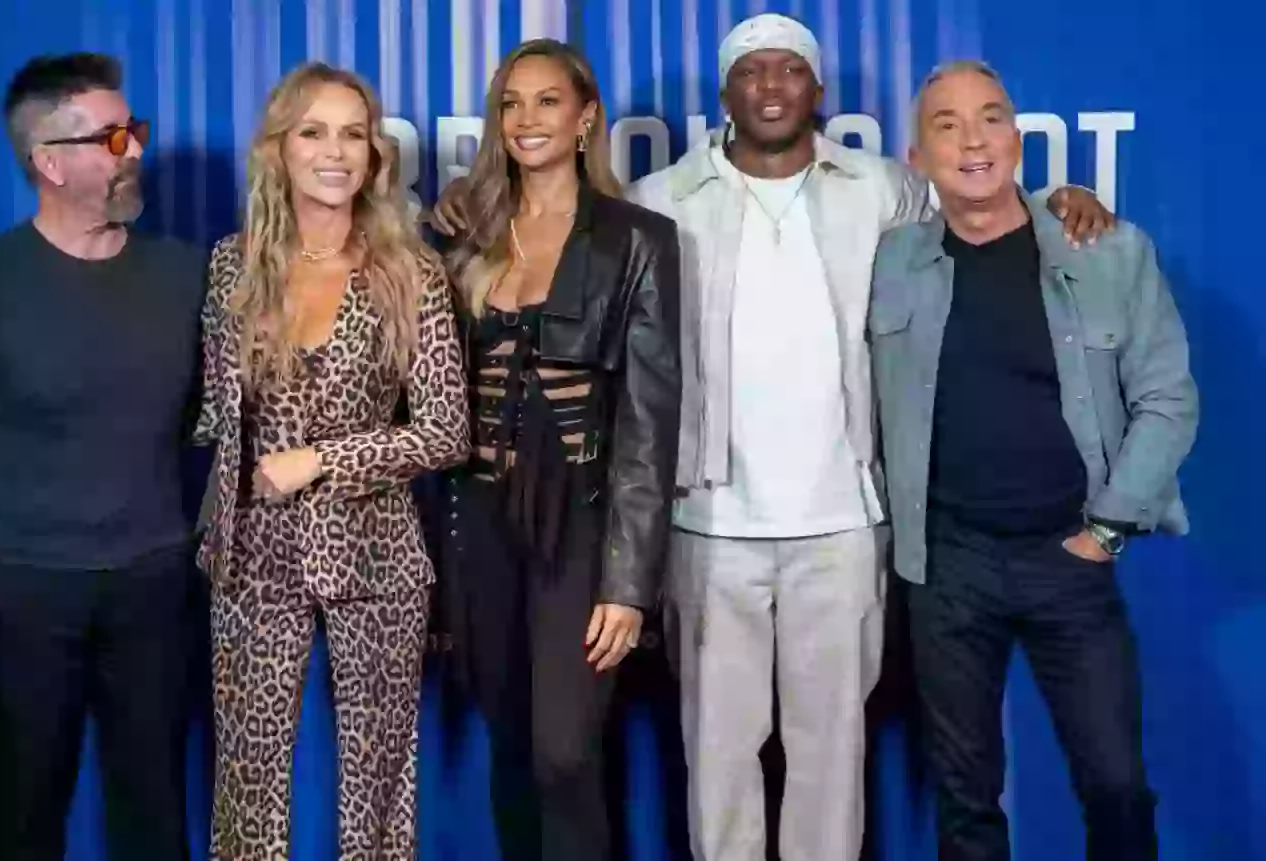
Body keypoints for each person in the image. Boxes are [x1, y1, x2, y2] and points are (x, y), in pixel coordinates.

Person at [428, 13, 1116, 861]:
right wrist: (467, 202)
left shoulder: (878, 188)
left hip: (844, 521)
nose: (770, 87)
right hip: (709, 522)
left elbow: (980, 198)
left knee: (832, 756)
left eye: (788, 71)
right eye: (751, 72)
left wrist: (1059, 200)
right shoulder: (659, 203)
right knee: (718, 759)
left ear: (816, 88)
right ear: (726, 91)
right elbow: (542, 232)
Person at [0, 53, 204, 860]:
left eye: (135, 129)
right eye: (112, 135)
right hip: (28, 594)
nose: (134, 149)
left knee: (155, 817)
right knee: (28, 817)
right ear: (48, 163)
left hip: (155, 588)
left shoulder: (187, 276)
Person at [869, 60, 1196, 861]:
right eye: (946, 125)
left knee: (1116, 784)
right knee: (964, 795)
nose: (971, 139)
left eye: (990, 119)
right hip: (946, 563)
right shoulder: (887, 262)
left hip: (1070, 556)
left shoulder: (1110, 252)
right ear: (917, 158)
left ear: (1018, 140)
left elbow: (1168, 398)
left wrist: (1108, 530)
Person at [193, 62, 469, 861]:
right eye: (314, 131)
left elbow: (446, 430)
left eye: (354, 133)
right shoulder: (231, 265)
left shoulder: (409, 272)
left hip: (376, 552)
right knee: (246, 773)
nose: (335, 151)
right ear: (279, 148)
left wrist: (321, 458)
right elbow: (217, 413)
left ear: (376, 156)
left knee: (380, 777)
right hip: (251, 552)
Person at [428, 38, 681, 861]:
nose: (527, 119)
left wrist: (630, 582)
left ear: (585, 118)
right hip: (479, 520)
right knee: (510, 748)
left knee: (565, 753)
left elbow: (650, 420)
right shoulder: (464, 236)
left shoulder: (638, 238)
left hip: (581, 523)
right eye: (511, 102)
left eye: (547, 101)